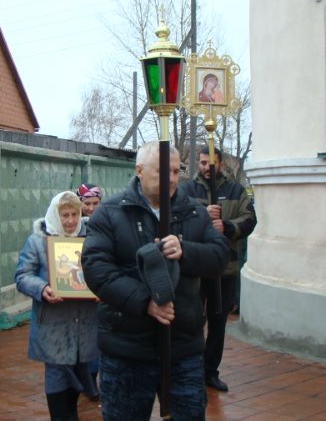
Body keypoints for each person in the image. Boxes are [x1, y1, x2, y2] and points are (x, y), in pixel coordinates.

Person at [82, 141, 229, 420]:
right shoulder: (110, 212)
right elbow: (97, 269)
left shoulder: (194, 212)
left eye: (175, 171)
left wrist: (186, 250)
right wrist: (144, 302)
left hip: (183, 347)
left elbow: (220, 257)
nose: (171, 179)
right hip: (126, 348)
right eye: (163, 171)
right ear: (139, 170)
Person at [15, 191, 98, 421]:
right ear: (55, 215)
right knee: (56, 378)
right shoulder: (38, 241)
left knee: (78, 377)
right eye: (65, 215)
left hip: (85, 323)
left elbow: (103, 269)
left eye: (74, 214)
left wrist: (101, 289)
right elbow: (22, 275)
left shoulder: (91, 239)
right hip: (53, 324)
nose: (70, 221)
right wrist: (42, 288)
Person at [179, 147, 257, 393]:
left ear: (220, 163)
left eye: (211, 162)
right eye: (202, 162)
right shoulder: (187, 190)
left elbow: (249, 219)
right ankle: (190, 368)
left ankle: (210, 371)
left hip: (225, 267)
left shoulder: (235, 190)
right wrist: (202, 214)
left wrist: (226, 226)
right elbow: (177, 218)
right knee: (191, 319)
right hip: (195, 267)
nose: (206, 167)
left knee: (218, 321)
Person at [75, 182, 103, 401]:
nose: (91, 208)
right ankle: (84, 380)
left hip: (99, 294)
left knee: (96, 338)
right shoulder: (71, 226)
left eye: (95, 203)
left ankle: (92, 378)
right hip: (77, 294)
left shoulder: (105, 224)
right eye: (87, 203)